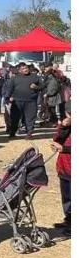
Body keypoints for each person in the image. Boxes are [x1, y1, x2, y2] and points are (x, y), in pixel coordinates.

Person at [7, 62, 44, 140]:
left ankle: (29, 133)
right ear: (19, 70)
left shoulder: (35, 77)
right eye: (23, 69)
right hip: (17, 101)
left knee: (30, 118)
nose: (25, 69)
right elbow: (10, 88)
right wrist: (8, 97)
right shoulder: (15, 78)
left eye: (26, 68)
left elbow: (43, 85)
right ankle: (12, 132)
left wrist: (36, 87)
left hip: (31, 101)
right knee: (15, 118)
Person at [51, 101, 70, 237]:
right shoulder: (68, 126)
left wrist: (65, 149)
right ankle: (69, 220)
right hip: (64, 167)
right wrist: (63, 127)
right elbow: (57, 138)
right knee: (67, 197)